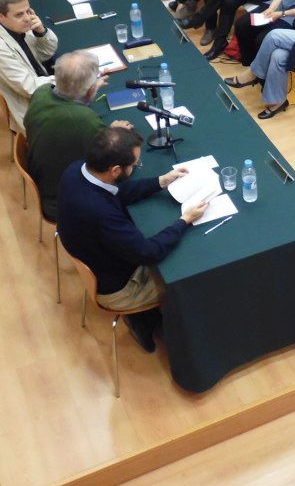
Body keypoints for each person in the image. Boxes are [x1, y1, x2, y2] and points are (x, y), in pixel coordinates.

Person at [56, 128, 208, 352]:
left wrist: (160, 181)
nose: (136, 166)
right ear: (115, 170)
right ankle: (160, 329)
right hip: (118, 288)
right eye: (134, 164)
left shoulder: (76, 170)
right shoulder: (101, 214)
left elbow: (117, 191)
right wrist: (184, 220)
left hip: (98, 261)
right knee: (191, 278)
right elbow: (148, 252)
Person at [24, 51, 134, 221]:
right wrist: (115, 133)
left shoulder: (41, 92)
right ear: (90, 90)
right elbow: (116, 166)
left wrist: (89, 90)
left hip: (46, 180)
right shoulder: (85, 120)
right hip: (64, 201)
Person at [0, 0, 57, 133]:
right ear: (0, 16)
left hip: (40, 88)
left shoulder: (16, 27)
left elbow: (46, 53)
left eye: (28, 11)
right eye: (19, 14)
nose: (27, 18)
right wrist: (66, 80)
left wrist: (41, 32)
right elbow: (29, 88)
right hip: (33, 110)